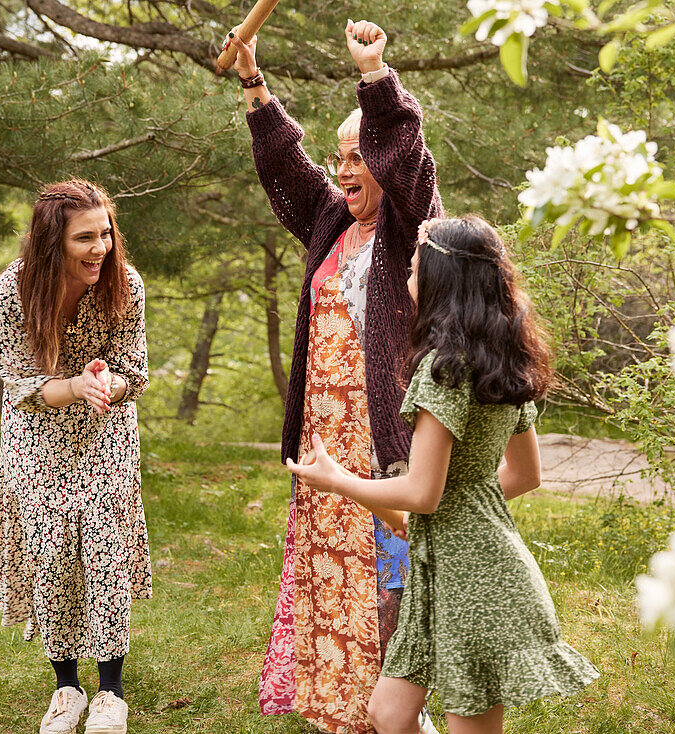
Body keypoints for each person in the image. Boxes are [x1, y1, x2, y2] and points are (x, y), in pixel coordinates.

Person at [287, 216, 600, 734]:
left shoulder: (444, 370)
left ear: (439, 277)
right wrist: (451, 508)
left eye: (414, 264)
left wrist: (337, 478)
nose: (407, 273)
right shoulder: (501, 359)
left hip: (475, 582)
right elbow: (523, 476)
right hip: (447, 569)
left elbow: (422, 493)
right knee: (389, 714)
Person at [221, 18, 442, 734]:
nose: (345, 169)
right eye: (339, 156)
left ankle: (401, 717)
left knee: (388, 593)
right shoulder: (331, 223)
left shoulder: (413, 227)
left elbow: (408, 157)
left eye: (359, 156)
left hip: (382, 448)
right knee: (330, 587)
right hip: (323, 448)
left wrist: (376, 75)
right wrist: (254, 81)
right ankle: (343, 717)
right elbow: (285, 165)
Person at [0, 179, 150, 734]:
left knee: (103, 542)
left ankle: (111, 693)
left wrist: (107, 384)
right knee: (52, 549)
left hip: (104, 430)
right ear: (53, 243)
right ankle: (65, 688)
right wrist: (75, 385)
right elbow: (24, 386)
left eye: (105, 233)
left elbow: (135, 369)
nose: (100, 247)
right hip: (37, 432)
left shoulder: (124, 285)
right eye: (85, 238)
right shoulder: (12, 293)